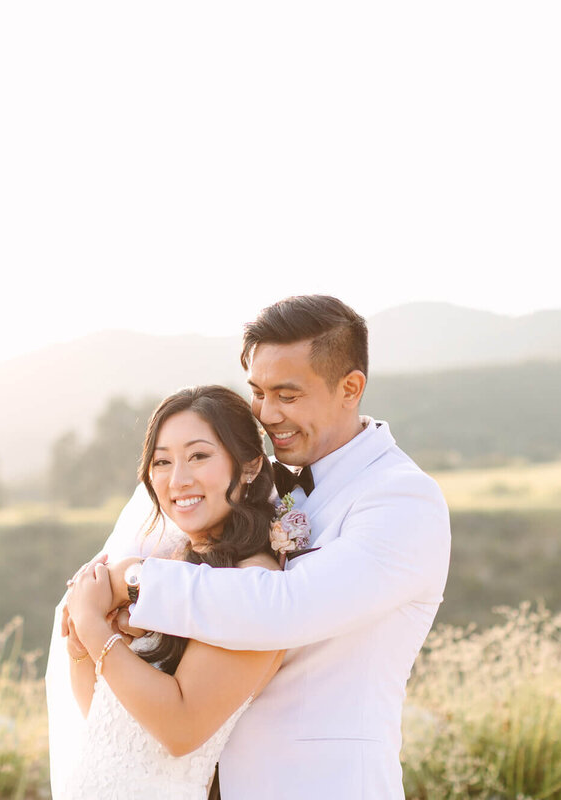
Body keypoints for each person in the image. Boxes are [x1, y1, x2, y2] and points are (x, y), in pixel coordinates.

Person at [90, 295, 452, 799]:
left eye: (287, 394)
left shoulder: (402, 499)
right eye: (258, 392)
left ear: (351, 388)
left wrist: (134, 582)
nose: (266, 413)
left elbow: (287, 607)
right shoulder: (262, 487)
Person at [52, 385, 285, 799]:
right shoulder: (168, 565)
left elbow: (181, 729)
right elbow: (105, 716)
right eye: (162, 461)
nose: (178, 479)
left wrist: (93, 625)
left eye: (199, 456)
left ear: (249, 466)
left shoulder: (255, 586)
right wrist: (79, 642)